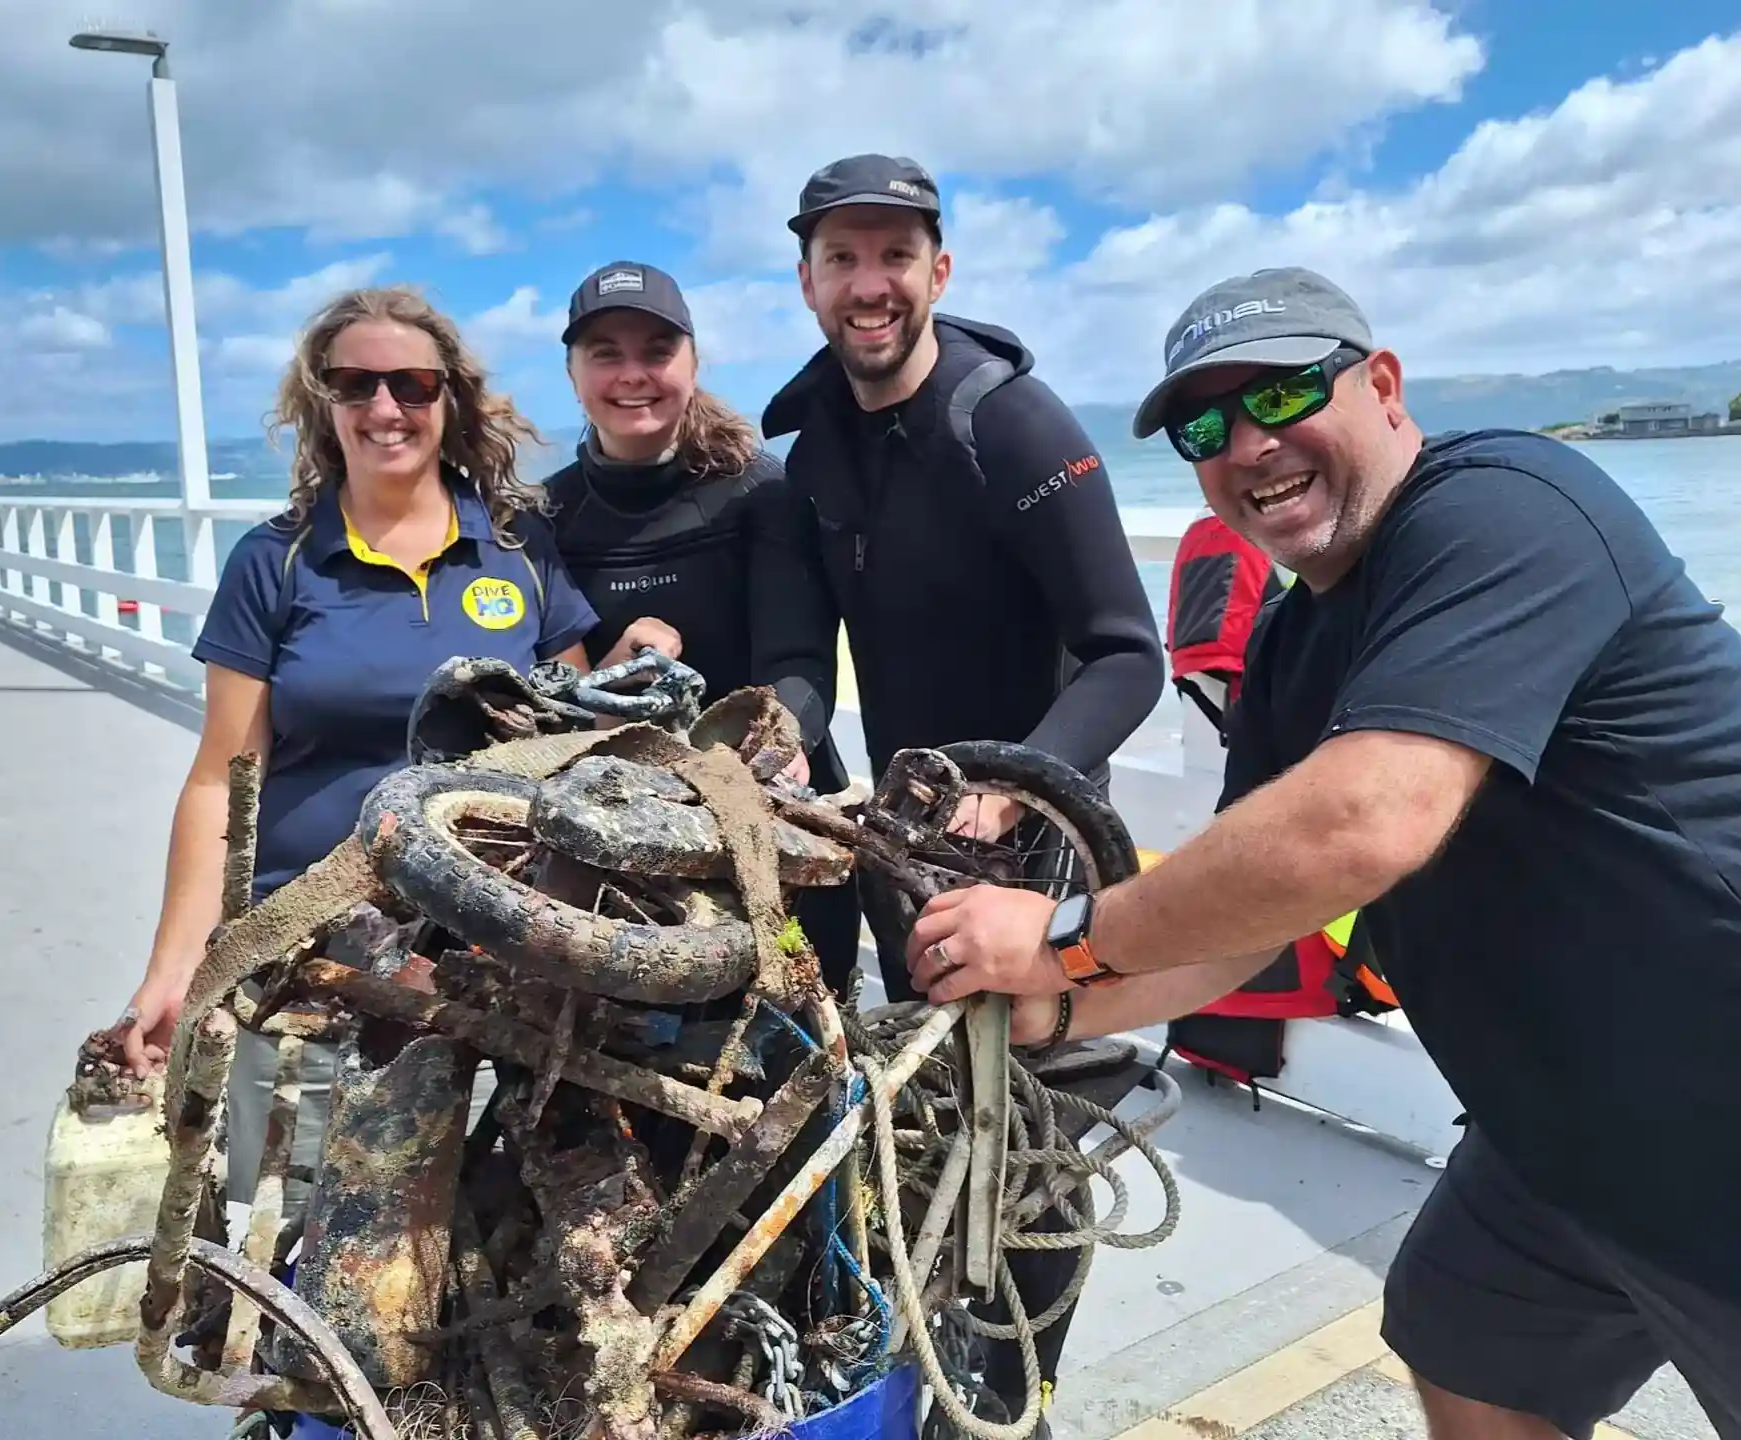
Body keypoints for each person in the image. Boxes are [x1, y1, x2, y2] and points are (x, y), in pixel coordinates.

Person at [907, 266, 1741, 1439]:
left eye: (1287, 391)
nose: (1249, 443)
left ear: (1385, 386)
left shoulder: (1509, 505)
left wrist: (1058, 943)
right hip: (1555, 1138)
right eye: (1207, 424)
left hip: (1715, 1111)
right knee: (1462, 1338)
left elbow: (1363, 822)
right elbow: (1250, 925)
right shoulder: (1297, 642)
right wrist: (1036, 1016)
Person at [760, 153, 1166, 1437]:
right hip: (911, 847)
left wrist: (1017, 776)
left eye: (895, 256)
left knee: (1038, 1148)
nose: (868, 284)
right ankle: (931, 1384)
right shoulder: (812, 449)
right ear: (810, 278)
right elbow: (798, 661)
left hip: (1043, 853)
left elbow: (1126, 651)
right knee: (929, 1132)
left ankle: (1017, 1408)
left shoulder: (1012, 424)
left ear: (940, 270)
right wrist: (780, 733)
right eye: (842, 258)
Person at [119, 284, 600, 1215]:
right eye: (356, 385)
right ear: (323, 404)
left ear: (449, 401)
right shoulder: (279, 560)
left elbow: (575, 741)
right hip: (308, 939)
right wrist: (176, 967)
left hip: (491, 943)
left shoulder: (516, 548)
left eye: (413, 385)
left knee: (492, 1223)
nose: (386, 409)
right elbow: (221, 778)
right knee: (286, 1216)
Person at [542, 259, 861, 991]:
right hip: (624, 830)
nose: (634, 375)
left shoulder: (758, 491)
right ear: (571, 373)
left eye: (656, 351)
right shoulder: (547, 517)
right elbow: (554, 692)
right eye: (606, 354)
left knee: (802, 1043)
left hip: (773, 812)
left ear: (692, 360)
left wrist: (773, 751)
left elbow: (801, 661)